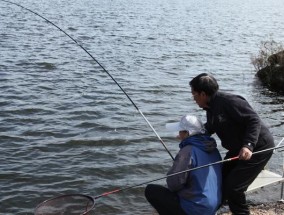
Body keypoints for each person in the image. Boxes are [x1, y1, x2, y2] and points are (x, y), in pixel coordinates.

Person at [189, 73, 275, 215]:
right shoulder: (210, 108)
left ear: (203, 94)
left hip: (258, 147)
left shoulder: (229, 101)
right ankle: (210, 210)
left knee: (234, 187)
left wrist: (248, 145)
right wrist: (192, 136)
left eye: (194, 95)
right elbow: (211, 127)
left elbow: (253, 120)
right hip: (237, 148)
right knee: (220, 178)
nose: (193, 99)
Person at [144, 114, 222, 215]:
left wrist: (174, 168)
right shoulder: (213, 149)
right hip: (212, 207)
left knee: (151, 190)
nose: (179, 134)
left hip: (195, 209)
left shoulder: (187, 151)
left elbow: (173, 184)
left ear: (187, 133)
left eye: (180, 131)